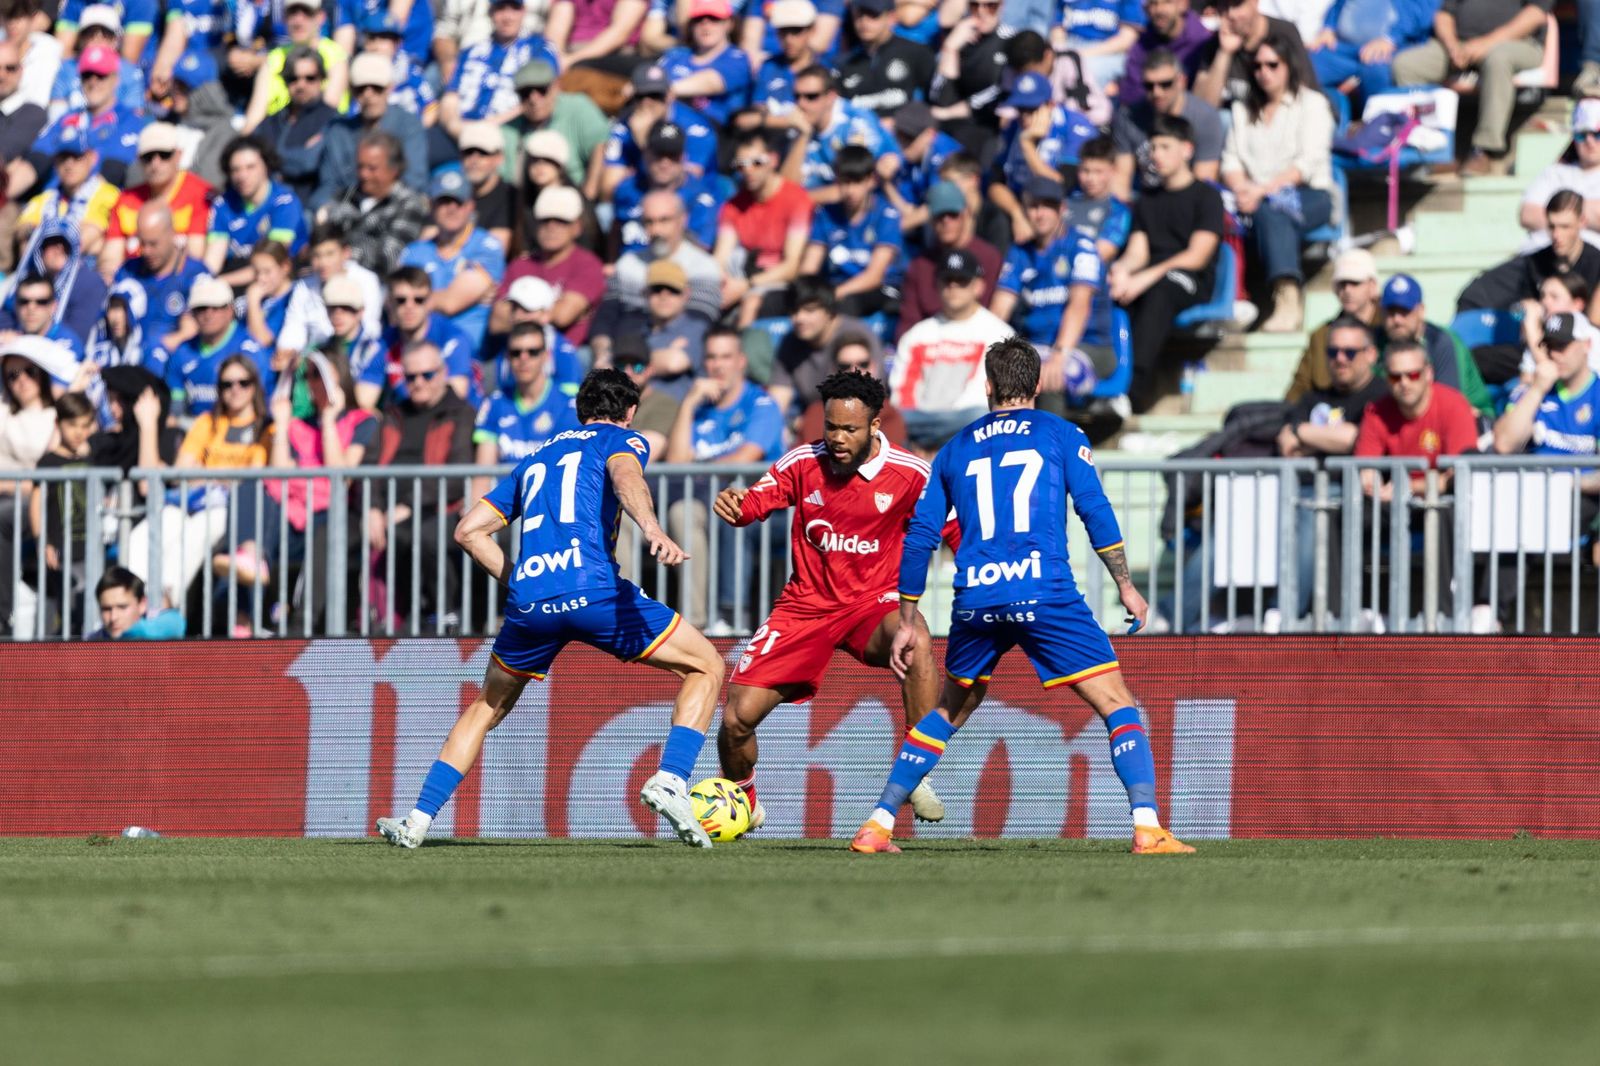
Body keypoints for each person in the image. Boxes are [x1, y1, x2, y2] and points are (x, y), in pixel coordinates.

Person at [850, 337, 1193, 855]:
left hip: (977, 599)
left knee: (947, 709)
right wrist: (1125, 584)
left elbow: (920, 535)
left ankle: (876, 825)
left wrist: (907, 617)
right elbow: (1094, 510)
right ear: (1036, 385)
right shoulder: (1061, 433)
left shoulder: (955, 448)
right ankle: (1147, 828)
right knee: (1117, 703)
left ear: (986, 386)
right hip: (1045, 591)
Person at [376, 368, 726, 849]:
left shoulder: (536, 455)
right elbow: (626, 476)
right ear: (629, 413)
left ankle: (417, 820)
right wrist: (652, 529)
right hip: (595, 593)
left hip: (531, 604)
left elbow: (468, 530)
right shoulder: (623, 439)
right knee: (706, 665)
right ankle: (670, 779)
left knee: (486, 707)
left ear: (579, 409)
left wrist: (519, 579)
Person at [711, 370, 946, 830]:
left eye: (850, 429)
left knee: (915, 638)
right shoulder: (803, 462)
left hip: (871, 606)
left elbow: (954, 529)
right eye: (831, 427)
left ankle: (915, 768)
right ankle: (745, 801)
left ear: (875, 425)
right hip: (804, 609)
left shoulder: (911, 474)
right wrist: (739, 507)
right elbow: (758, 500)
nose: (837, 438)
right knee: (736, 719)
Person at [126, 352, 272, 614]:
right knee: (148, 532)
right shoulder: (208, 422)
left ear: (255, 386)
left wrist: (206, 473)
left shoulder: (265, 427)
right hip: (191, 500)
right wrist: (221, 476)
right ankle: (132, 603)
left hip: (231, 508)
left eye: (243, 383)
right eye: (227, 384)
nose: (235, 389)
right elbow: (183, 471)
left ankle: (163, 605)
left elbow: (252, 477)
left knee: (196, 533)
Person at [664, 327, 786, 627]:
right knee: (682, 512)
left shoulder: (761, 403)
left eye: (726, 357)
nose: (718, 364)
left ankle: (733, 618)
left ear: (741, 361)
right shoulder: (700, 409)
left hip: (764, 511)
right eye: (711, 357)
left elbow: (746, 457)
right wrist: (690, 403)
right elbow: (677, 462)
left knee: (733, 507)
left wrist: (700, 466)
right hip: (707, 499)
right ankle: (697, 622)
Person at [1221, 27, 1337, 333]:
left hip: (1309, 194)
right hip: (1256, 196)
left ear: (1288, 66)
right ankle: (1229, 302)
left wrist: (1259, 191)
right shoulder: (1243, 109)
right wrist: (1243, 188)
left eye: (1272, 65)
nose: (1264, 72)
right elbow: (1230, 160)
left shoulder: (1312, 104)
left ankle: (1287, 297)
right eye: (1257, 66)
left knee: (1273, 210)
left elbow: (1306, 165)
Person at [1275, 314, 1387, 619]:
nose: (1340, 359)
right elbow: (1286, 443)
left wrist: (1304, 434)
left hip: (1350, 494)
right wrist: (1321, 438)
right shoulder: (1314, 395)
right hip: (1297, 490)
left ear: (1371, 355)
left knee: (1315, 510)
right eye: (1332, 352)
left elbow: (1356, 438)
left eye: (1349, 352)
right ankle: (1168, 616)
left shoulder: (1382, 396)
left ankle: (1285, 616)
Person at [1110, 114, 1224, 413]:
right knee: (1116, 293)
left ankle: (1134, 390)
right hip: (1153, 275)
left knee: (1159, 291)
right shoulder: (1148, 199)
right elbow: (1138, 251)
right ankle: (1107, 380)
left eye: (1164, 146)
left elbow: (1197, 256)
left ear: (1186, 149)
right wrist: (1121, 271)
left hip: (1190, 279)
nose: (1156, 154)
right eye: (1153, 147)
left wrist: (1145, 277)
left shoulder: (1207, 196)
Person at [369, 343, 477, 626]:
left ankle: (445, 613)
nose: (418, 383)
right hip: (390, 511)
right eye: (410, 376)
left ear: (443, 373)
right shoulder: (393, 414)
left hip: (440, 508)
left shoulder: (461, 413)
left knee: (424, 536)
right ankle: (358, 622)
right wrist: (373, 508)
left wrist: (408, 504)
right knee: (336, 533)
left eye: (426, 375)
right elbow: (368, 467)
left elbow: (457, 474)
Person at [990, 176, 1116, 407]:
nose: (1040, 214)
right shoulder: (1019, 253)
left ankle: (1052, 444)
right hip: (1035, 346)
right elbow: (1000, 308)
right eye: (1034, 206)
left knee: (1048, 376)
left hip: (1089, 346)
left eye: (1047, 206)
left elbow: (1079, 304)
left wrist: (1060, 353)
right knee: (995, 373)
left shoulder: (1082, 247)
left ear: (1062, 209)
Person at [1393, 0, 1551, 176]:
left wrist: (1486, 43)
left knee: (1498, 59)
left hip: (1517, 43)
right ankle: (1431, 150)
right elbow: (1444, 14)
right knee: (1406, 66)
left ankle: (1484, 150)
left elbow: (1536, 14)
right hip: (1460, 44)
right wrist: (1453, 46)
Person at [892, 248, 1015, 452]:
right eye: (947, 280)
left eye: (962, 281)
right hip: (920, 420)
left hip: (968, 420)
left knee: (981, 416)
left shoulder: (999, 333)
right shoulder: (915, 336)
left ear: (979, 286)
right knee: (890, 419)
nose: (953, 287)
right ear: (937, 284)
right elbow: (902, 395)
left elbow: (982, 396)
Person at [398, 170, 508, 348]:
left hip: (472, 357)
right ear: (431, 206)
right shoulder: (414, 252)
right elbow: (394, 305)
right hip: (418, 353)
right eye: (444, 202)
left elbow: (451, 303)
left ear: (471, 206)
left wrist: (410, 301)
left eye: (459, 202)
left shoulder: (487, 247)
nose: (452, 208)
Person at [716, 130, 814, 325]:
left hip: (779, 284)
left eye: (757, 163)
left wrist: (746, 286)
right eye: (741, 165)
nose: (749, 170)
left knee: (751, 302)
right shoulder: (733, 206)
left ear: (774, 160)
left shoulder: (797, 200)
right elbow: (720, 259)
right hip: (742, 277)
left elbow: (791, 266)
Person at [311, 51, 429, 210]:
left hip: (394, 207)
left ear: (390, 88)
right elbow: (329, 182)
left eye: (376, 88)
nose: (368, 95)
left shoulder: (408, 125)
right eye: (361, 89)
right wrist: (325, 208)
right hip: (347, 207)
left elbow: (414, 179)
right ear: (352, 91)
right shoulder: (340, 131)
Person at [798, 144, 903, 320]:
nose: (850, 190)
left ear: (871, 180)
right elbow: (810, 266)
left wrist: (833, 294)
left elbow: (874, 276)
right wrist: (807, 292)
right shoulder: (826, 214)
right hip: (836, 286)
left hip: (881, 288)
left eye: (857, 182)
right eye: (844, 182)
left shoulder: (887, 215)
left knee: (846, 305)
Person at [894, 180, 1003, 342]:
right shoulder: (920, 265)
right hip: (931, 346)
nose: (946, 221)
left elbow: (994, 317)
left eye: (953, 214)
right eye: (939, 216)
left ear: (966, 213)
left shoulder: (990, 257)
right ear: (930, 219)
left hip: (978, 343)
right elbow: (908, 323)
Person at [100, 122, 214, 277]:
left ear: (178, 155)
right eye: (148, 157)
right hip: (133, 279)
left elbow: (195, 254)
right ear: (139, 161)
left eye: (164, 155)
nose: (156, 163)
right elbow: (111, 256)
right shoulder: (125, 200)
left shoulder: (200, 194)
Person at [496, 185, 606, 344]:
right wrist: (546, 313)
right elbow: (497, 321)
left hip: (569, 354)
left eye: (561, 221)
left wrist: (518, 312)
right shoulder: (520, 265)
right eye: (545, 220)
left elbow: (563, 316)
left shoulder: (588, 265)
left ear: (577, 227)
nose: (551, 227)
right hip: (520, 354)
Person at [1112, 47, 1223, 199]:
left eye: (1165, 84)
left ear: (1181, 81)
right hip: (1143, 199)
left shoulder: (1205, 118)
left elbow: (1204, 181)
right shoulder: (1128, 117)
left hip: (1186, 201)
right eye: (1149, 85)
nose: (1157, 92)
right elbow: (1121, 178)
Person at [768, 274, 886, 416]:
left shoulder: (857, 336)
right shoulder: (790, 341)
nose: (799, 318)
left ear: (830, 311)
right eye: (794, 311)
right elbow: (778, 400)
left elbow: (870, 400)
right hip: (814, 418)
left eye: (809, 310)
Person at [28, 390, 96, 635]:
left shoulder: (93, 457)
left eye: (85, 425)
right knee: (59, 612)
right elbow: (36, 503)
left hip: (90, 547)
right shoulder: (48, 462)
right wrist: (42, 540)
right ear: (58, 424)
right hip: (59, 549)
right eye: (72, 425)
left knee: (85, 613)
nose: (79, 432)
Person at [1380, 273, 1495, 417]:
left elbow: (1448, 401)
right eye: (1391, 312)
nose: (1397, 320)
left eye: (1404, 311)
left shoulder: (1442, 342)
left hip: (1468, 417)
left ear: (1421, 310)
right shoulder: (1379, 343)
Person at [440, 0, 558, 138]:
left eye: (514, 8)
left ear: (523, 11)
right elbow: (450, 98)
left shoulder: (539, 49)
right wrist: (456, 127)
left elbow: (543, 97)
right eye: (500, 8)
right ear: (490, 12)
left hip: (509, 131)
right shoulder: (470, 52)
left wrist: (486, 127)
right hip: (460, 131)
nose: (507, 17)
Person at [319, 132, 432, 277]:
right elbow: (322, 240)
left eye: (372, 168)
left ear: (394, 169)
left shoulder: (409, 204)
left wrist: (340, 255)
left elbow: (389, 257)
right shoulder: (345, 196)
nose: (364, 174)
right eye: (360, 167)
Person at [204, 136, 308, 288]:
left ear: (266, 166)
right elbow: (212, 262)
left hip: (276, 281)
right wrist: (205, 283)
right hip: (235, 275)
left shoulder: (284, 202)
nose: (242, 176)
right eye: (235, 170)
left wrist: (218, 283)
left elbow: (270, 263)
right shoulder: (223, 205)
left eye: (250, 167)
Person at [610, 119, 723, 258]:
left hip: (679, 273)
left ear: (683, 157)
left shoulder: (702, 197)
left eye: (672, 155)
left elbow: (702, 251)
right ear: (646, 154)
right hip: (630, 270)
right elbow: (615, 234)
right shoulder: (626, 190)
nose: (664, 163)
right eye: (658, 154)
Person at [165, 276, 273, 419]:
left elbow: (259, 407)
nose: (208, 314)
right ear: (193, 314)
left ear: (230, 310)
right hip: (194, 433)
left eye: (216, 307)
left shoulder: (251, 352)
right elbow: (175, 409)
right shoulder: (181, 353)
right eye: (201, 308)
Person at [784, 64, 900, 197]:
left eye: (811, 97)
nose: (801, 104)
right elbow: (788, 187)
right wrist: (803, 136)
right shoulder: (798, 124)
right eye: (796, 96)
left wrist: (801, 199)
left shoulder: (856, 122)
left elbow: (853, 189)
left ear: (831, 97)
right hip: (824, 210)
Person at [473, 320, 579, 463]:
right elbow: (482, 474)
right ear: (507, 357)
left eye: (533, 352)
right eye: (516, 353)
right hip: (506, 485)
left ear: (546, 356)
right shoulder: (494, 404)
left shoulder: (568, 405)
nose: (524, 358)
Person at [112, 201, 210, 353]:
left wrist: (180, 337)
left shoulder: (195, 275)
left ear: (172, 234)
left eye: (153, 244)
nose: (146, 251)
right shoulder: (128, 272)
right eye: (142, 243)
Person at [249, 46, 341, 205]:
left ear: (322, 79)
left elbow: (308, 162)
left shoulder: (333, 121)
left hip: (308, 208)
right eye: (293, 78)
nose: (301, 85)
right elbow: (249, 161)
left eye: (310, 78)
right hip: (266, 207)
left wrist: (268, 158)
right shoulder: (270, 123)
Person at [15, 123, 119, 263]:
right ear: (55, 162)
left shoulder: (108, 194)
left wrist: (41, 233)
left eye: (76, 157)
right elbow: (21, 230)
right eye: (63, 158)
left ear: (92, 158)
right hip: (43, 271)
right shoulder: (44, 198)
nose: (69, 165)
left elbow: (87, 237)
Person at [1287, 248, 1382, 401]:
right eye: (1342, 284)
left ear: (1372, 286)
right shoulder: (1321, 336)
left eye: (1354, 282)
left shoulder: (1392, 328)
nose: (1347, 290)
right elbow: (1299, 389)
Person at [1192, 0, 1318, 111]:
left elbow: (1306, 94)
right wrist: (1224, 52)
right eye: (1224, 5)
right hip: (1237, 126)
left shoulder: (1284, 33)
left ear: (1255, 2)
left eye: (1237, 4)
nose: (1230, 14)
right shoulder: (1215, 43)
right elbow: (1203, 111)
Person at [502, 59, 609, 189]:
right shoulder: (509, 131)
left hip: (574, 196)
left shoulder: (578, 107)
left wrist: (588, 197)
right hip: (528, 201)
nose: (534, 99)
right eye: (525, 92)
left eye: (541, 90)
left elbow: (601, 145)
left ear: (556, 86)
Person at [1310, 0, 1436, 106]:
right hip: (1343, 49)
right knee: (1308, 64)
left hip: (1391, 51)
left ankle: (1370, 127)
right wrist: (1328, 28)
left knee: (1376, 72)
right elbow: (1339, 5)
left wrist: (1391, 39)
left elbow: (1423, 13)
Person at [928, 0, 1009, 157]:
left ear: (1002, 6)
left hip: (987, 127)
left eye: (990, 6)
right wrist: (951, 49)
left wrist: (949, 112)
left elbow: (998, 92)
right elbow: (939, 97)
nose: (981, 12)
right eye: (974, 5)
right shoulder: (960, 37)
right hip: (952, 125)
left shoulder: (1009, 41)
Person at [657, 0, 751, 129]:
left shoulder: (737, 58)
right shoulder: (676, 55)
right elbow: (653, 77)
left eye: (714, 19)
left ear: (729, 23)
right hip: (666, 127)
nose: (706, 25)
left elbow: (711, 82)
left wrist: (659, 89)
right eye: (699, 19)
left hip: (714, 133)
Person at [835, 0, 933, 118]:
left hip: (905, 131)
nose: (864, 21)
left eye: (873, 15)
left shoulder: (916, 52)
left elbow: (934, 102)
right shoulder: (844, 63)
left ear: (891, 17)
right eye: (859, 15)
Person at [1118, 0, 1214, 105]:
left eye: (1167, 2)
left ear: (1183, 4)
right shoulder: (1143, 42)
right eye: (1154, 3)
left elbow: (1205, 101)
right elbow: (1131, 93)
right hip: (1149, 114)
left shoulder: (1202, 42)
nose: (1159, 10)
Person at [1064, 136, 1133, 263]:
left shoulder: (1118, 211)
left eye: (1098, 172)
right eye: (1085, 171)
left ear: (1112, 171)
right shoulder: (1065, 204)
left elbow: (1103, 252)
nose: (1090, 178)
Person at [458, 122, 518, 253]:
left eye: (483, 153)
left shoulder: (510, 196)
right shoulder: (452, 194)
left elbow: (496, 251)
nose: (474, 160)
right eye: (468, 152)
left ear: (499, 158)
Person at [89, 567, 185, 640]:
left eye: (122, 607)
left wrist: (130, 633)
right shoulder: (92, 643)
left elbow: (176, 623)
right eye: (106, 609)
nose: (113, 617)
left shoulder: (154, 624)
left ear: (142, 605)